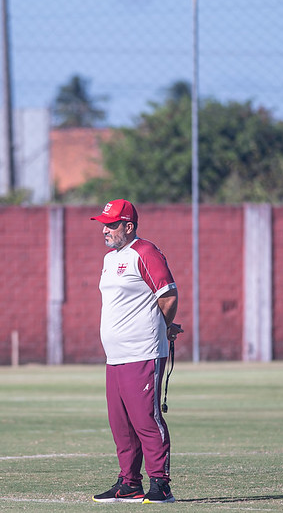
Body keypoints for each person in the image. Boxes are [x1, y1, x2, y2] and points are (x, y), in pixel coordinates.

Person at [90, 199, 182, 504]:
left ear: (129, 226)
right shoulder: (108, 259)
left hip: (143, 352)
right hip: (114, 356)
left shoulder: (145, 252)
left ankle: (161, 484)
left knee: (146, 419)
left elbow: (167, 294)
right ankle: (129, 483)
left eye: (113, 224)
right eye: (104, 224)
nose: (106, 229)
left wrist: (164, 327)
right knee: (120, 423)